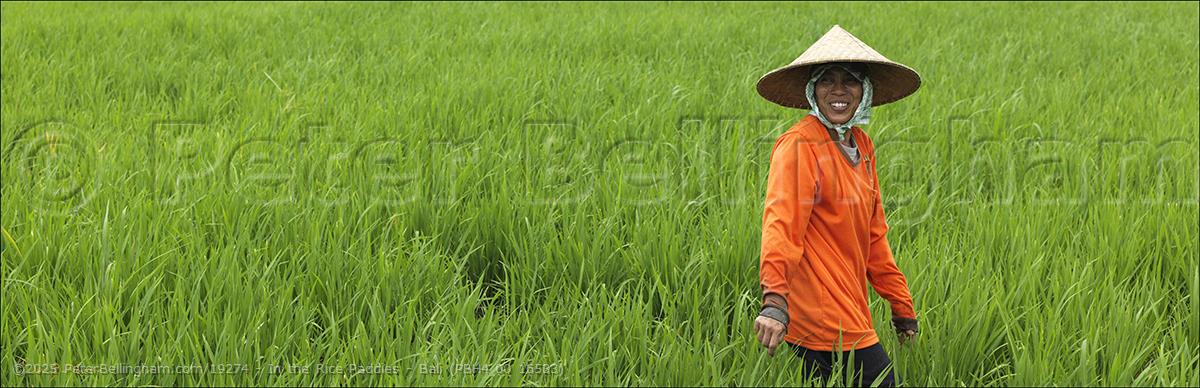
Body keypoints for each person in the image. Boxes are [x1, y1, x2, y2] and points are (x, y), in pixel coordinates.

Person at [752, 25, 922, 387]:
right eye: (826, 81)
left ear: (866, 91)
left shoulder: (862, 145)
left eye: (851, 81)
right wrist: (775, 301)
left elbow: (874, 237)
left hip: (851, 306)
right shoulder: (800, 145)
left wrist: (901, 305)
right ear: (812, 91)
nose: (839, 91)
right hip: (821, 313)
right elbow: (782, 225)